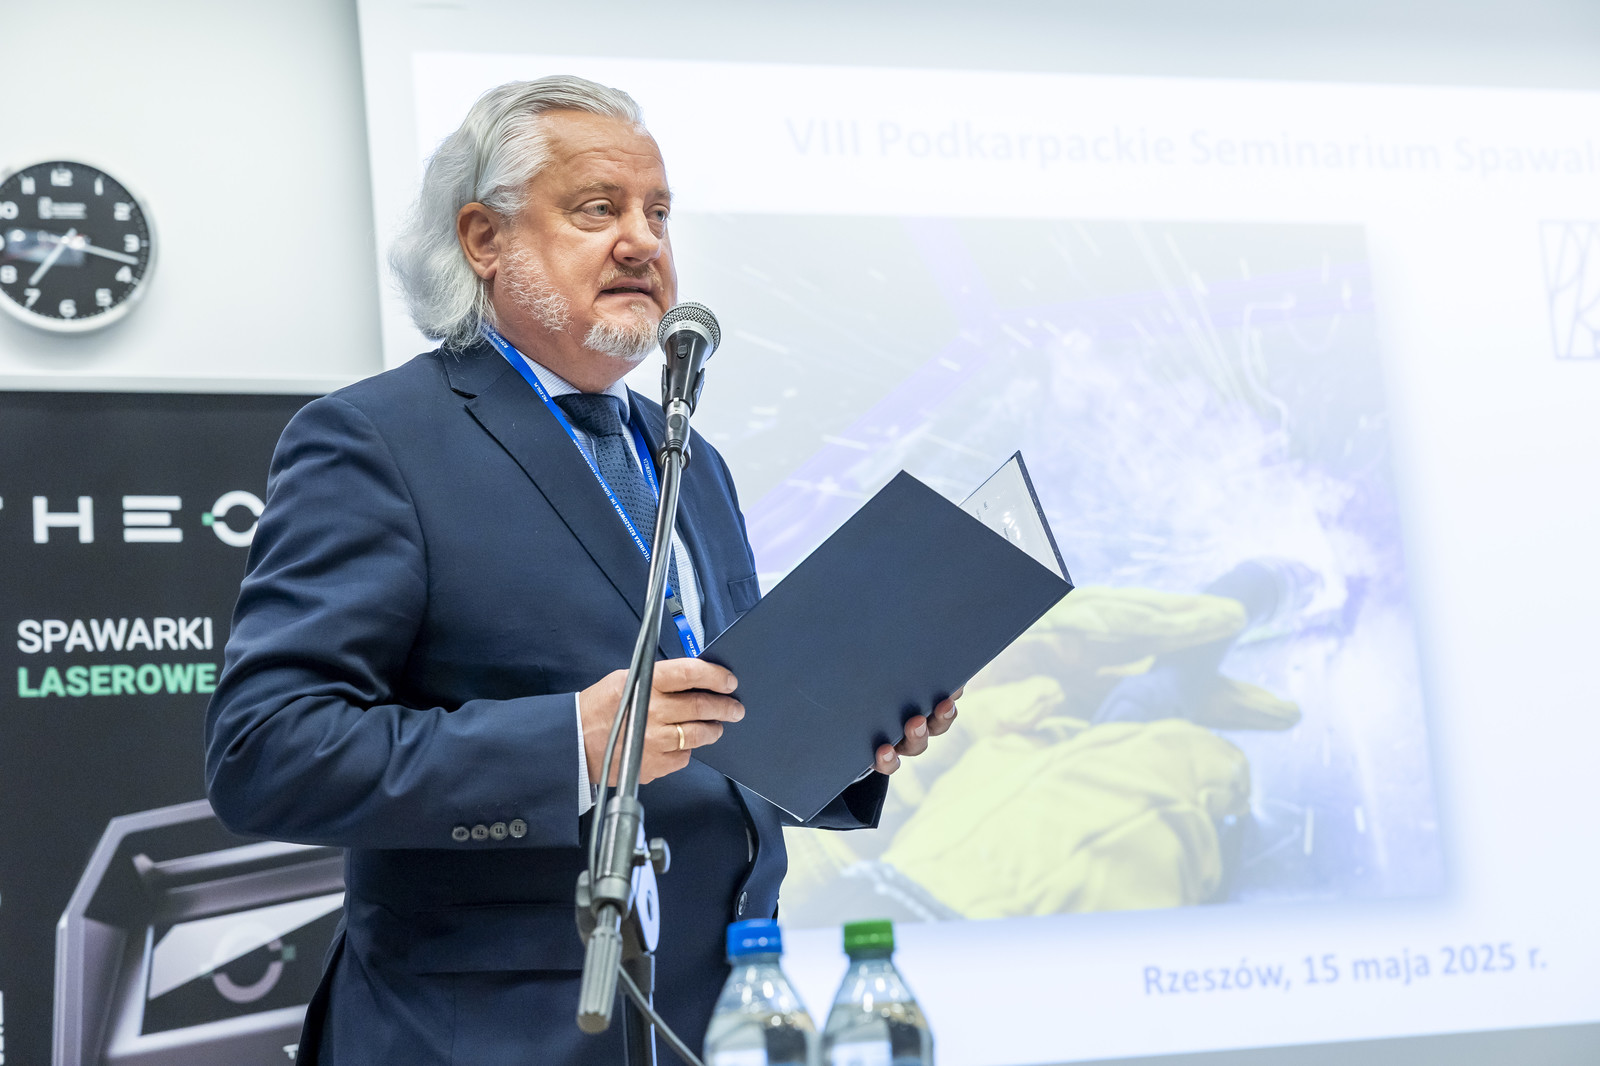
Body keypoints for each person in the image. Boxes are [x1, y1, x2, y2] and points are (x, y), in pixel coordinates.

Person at [204, 76, 957, 1065]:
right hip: (483, 1037)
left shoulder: (687, 453)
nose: (644, 242)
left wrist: (844, 732)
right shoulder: (376, 442)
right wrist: (568, 744)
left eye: (659, 214)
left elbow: (710, 723)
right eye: (600, 209)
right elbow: (266, 752)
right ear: (485, 239)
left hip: (708, 1021)